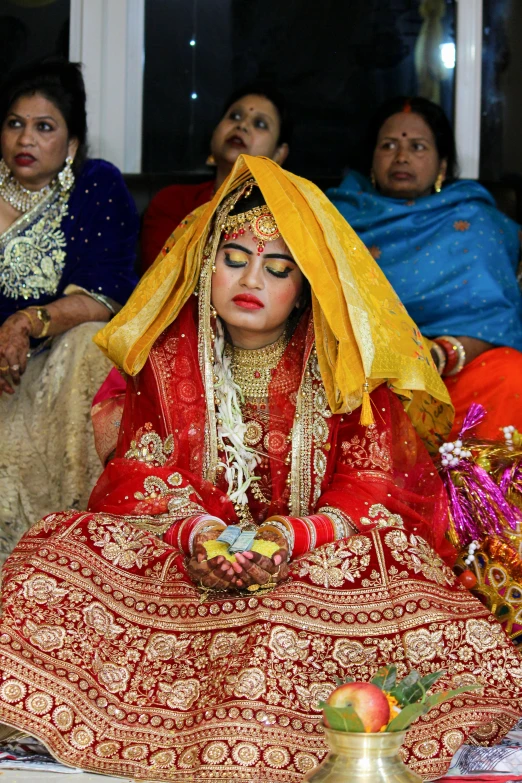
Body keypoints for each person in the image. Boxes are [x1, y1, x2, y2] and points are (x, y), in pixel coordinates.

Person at [0, 156, 520, 783]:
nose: (252, 279)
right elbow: (137, 471)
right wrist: (198, 535)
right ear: (204, 266)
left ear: (305, 289)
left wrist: (292, 537)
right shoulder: (166, 360)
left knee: (365, 570)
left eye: (278, 269)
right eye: (234, 258)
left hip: (307, 560)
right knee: (55, 551)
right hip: (189, 557)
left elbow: (371, 481)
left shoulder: (341, 367)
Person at [0, 59, 138, 562]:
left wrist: (26, 322)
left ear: (72, 143)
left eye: (44, 127)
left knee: (91, 344)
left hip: (55, 368)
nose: (25, 139)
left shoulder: (96, 187)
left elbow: (105, 297)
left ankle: (75, 549)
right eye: (15, 124)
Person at [327, 96, 522, 440]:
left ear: (442, 165)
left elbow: (496, 316)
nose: (401, 157)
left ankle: (477, 492)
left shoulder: (475, 220)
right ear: (371, 161)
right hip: (369, 372)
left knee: (511, 374)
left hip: (456, 369)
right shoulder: (337, 215)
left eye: (417, 147)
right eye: (388, 145)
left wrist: (442, 353)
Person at [140, 82, 291, 272]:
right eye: (234, 116)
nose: (242, 125)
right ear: (214, 132)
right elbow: (159, 284)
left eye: (260, 124)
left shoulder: (289, 218)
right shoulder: (174, 203)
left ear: (279, 154)